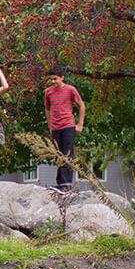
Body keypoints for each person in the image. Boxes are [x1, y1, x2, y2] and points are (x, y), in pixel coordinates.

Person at [45, 65, 86, 193]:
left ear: (62, 78)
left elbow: (81, 106)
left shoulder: (71, 90)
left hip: (68, 125)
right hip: (55, 127)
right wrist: (50, 125)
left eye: (55, 79)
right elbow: (47, 108)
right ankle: (60, 183)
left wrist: (80, 124)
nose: (53, 82)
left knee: (67, 154)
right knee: (58, 154)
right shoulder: (48, 92)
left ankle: (67, 184)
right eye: (51, 79)